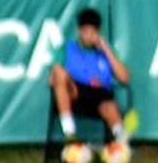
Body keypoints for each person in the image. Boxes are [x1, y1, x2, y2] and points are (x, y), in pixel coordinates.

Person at [49, 8, 133, 147]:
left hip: (100, 95)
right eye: (85, 32)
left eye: (93, 32)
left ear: (98, 33)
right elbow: (56, 72)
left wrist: (106, 50)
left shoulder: (106, 51)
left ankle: (122, 145)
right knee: (59, 74)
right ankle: (70, 135)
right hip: (75, 92)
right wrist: (58, 77)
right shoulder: (67, 48)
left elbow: (125, 78)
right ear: (79, 31)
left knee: (110, 107)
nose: (88, 36)